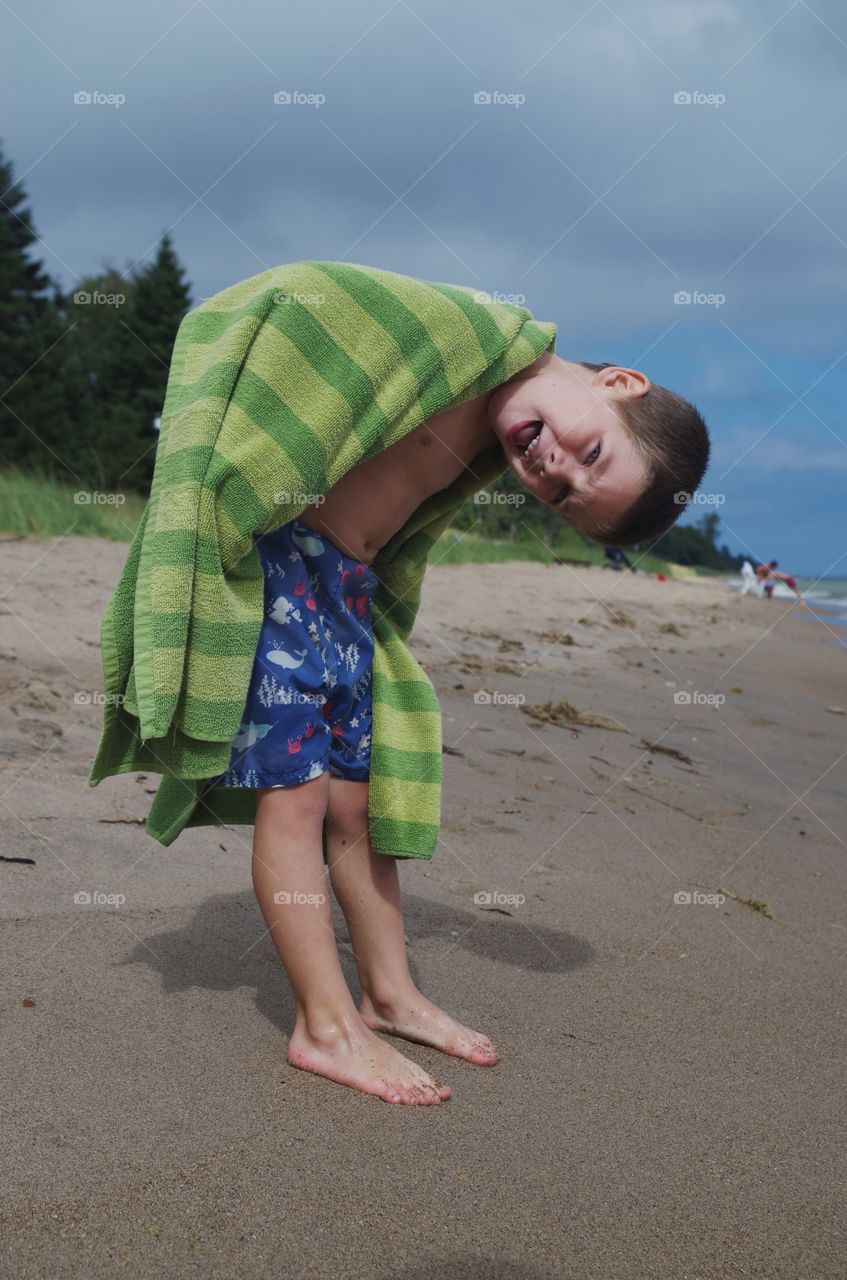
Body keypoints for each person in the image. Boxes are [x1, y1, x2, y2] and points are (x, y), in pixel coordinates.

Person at [92, 266, 710, 1106]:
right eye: (588, 450)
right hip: (279, 562)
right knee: (297, 797)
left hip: (342, 588)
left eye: (564, 495)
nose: (551, 469)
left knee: (357, 800)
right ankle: (324, 1023)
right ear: (619, 383)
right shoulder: (470, 334)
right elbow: (310, 296)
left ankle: (388, 991)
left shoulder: (498, 428)